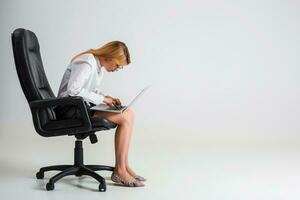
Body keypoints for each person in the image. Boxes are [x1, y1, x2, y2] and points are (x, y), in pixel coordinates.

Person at [55, 41, 145, 187]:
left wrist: (107, 98)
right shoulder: (87, 62)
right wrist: (102, 99)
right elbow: (73, 90)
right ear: (110, 56)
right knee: (125, 118)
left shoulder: (97, 67)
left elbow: (89, 91)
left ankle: (124, 165)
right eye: (118, 64)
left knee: (129, 113)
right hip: (69, 110)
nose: (117, 69)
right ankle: (120, 170)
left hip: (80, 107)